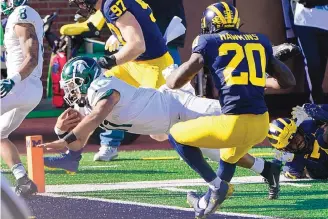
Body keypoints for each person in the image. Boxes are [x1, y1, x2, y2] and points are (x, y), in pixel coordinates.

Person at [40, 56, 290, 199]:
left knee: (238, 113)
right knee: (220, 152)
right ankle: (268, 168)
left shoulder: (101, 88)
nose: (70, 90)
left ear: (85, 80)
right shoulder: (88, 104)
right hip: (168, 122)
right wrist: (61, 132)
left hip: (178, 105)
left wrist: (65, 139)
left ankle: (267, 81)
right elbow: (80, 141)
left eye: (72, 84)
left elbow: (98, 115)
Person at [164, 2, 296, 218]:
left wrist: (170, 78)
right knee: (229, 156)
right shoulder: (260, 40)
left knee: (176, 135)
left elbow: (177, 81)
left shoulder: (208, 40)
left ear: (211, 23)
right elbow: (288, 81)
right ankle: (207, 202)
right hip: (261, 124)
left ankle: (216, 186)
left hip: (233, 123)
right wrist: (265, 62)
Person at [46, 0, 175, 165]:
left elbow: (138, 45)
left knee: (159, 133)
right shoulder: (109, 5)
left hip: (155, 65)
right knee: (94, 93)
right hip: (132, 64)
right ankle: (72, 156)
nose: (80, 4)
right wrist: (117, 35)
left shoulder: (111, 4)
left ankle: (199, 137)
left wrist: (107, 61)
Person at [0, 0, 44, 197]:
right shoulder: (23, 14)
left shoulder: (21, 13)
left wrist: (13, 80)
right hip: (29, 89)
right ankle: (23, 180)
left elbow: (31, 58)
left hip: (20, 86)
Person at [268, 104, 328, 179]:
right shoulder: (293, 162)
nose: (297, 141)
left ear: (298, 130)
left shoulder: (308, 125)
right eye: (291, 142)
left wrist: (318, 113)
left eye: (295, 136)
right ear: (285, 149)